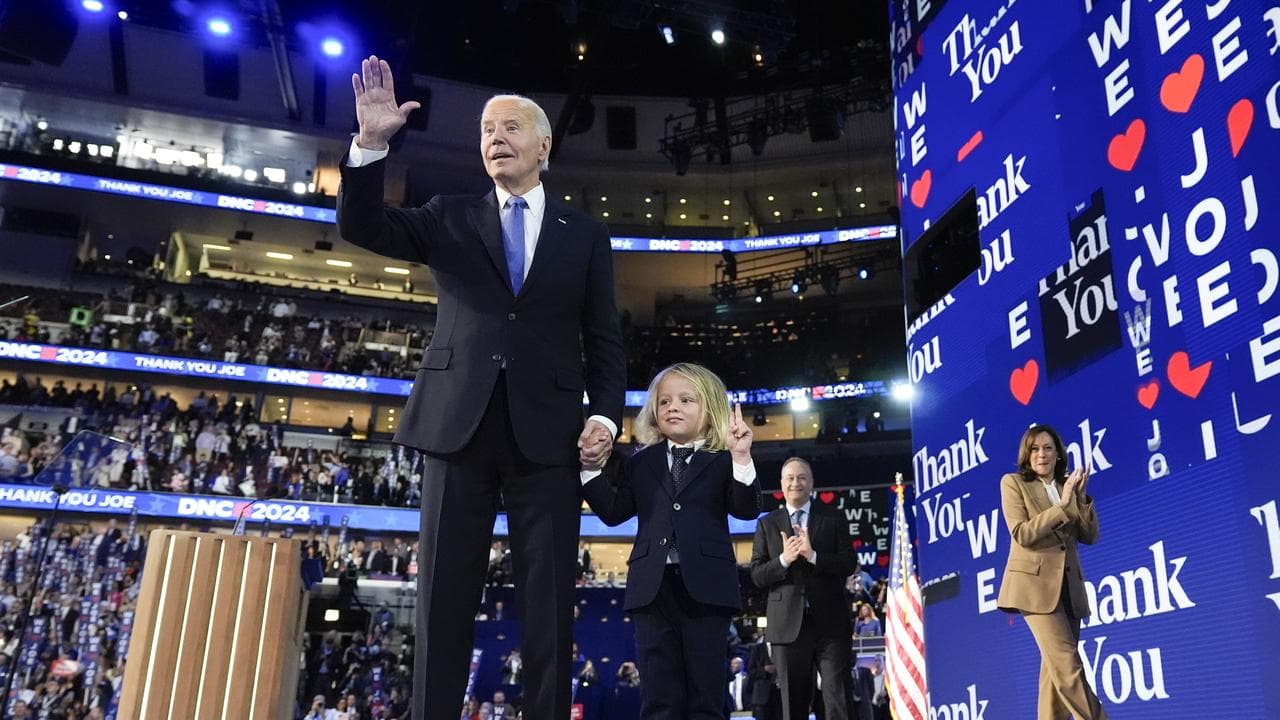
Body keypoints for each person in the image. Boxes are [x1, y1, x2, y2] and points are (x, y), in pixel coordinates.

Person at [337, 55, 626, 720]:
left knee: (550, 603)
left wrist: (606, 421)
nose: (494, 136)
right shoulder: (450, 213)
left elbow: (605, 339)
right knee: (443, 599)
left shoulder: (583, 235)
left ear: (544, 146)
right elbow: (364, 227)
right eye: (486, 129)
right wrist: (372, 145)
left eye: (510, 126)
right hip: (455, 425)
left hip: (550, 435)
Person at [581, 363, 761, 720]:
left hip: (708, 591)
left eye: (685, 400)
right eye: (664, 402)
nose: (672, 407)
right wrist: (589, 468)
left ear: (710, 411)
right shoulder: (640, 462)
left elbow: (745, 509)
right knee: (659, 699)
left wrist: (741, 457)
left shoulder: (724, 458)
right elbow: (615, 511)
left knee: (706, 698)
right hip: (652, 591)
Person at [996, 424, 1106, 720]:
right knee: (1068, 667)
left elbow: (1090, 535)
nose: (1041, 454)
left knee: (1053, 678)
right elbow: (1022, 533)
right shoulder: (1013, 483)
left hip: (1068, 591)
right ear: (1026, 455)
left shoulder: (1065, 487)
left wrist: (1080, 499)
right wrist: (1062, 504)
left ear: (1058, 454)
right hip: (1034, 591)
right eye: (1034, 449)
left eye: (1048, 448)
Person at [749, 457, 857, 720]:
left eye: (801, 477)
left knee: (837, 699)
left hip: (830, 624)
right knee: (793, 703)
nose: (795, 483)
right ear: (781, 485)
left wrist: (814, 556)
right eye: (790, 478)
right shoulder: (767, 524)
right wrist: (784, 560)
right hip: (787, 627)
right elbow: (757, 576)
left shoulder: (833, 517)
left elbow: (848, 562)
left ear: (811, 483)